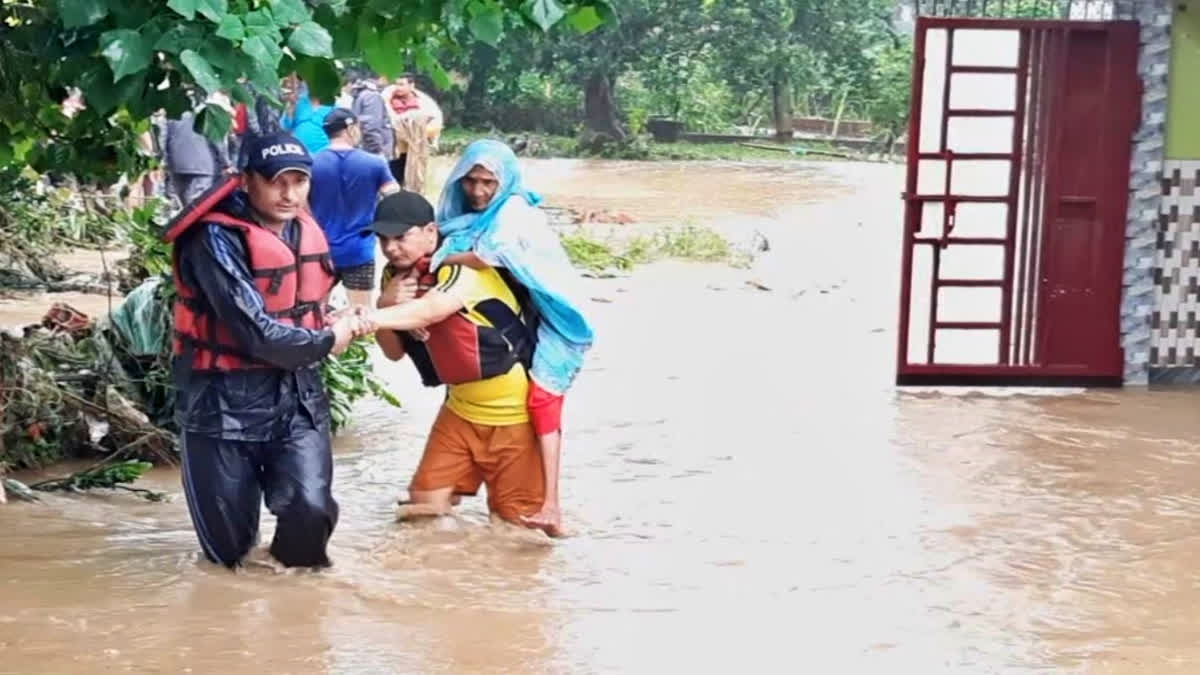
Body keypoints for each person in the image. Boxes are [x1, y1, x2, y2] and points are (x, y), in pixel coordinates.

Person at [162, 132, 370, 569]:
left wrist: (331, 320)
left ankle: (294, 616)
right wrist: (329, 341)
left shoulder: (304, 227)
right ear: (246, 180)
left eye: (299, 181)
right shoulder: (213, 239)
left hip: (297, 395)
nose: (289, 194)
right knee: (228, 556)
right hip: (221, 404)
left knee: (310, 512)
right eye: (276, 181)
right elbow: (253, 332)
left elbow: (306, 301)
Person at [430, 140, 594, 537]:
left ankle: (552, 505)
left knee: (543, 400)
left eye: (488, 182)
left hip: (556, 321)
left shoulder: (513, 213)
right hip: (512, 324)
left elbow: (489, 257)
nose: (479, 191)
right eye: (471, 181)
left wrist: (436, 258)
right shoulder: (466, 218)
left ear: (505, 182)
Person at [361, 191, 548, 530]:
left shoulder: (461, 269)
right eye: (382, 239)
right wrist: (385, 305)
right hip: (459, 414)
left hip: (514, 418)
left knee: (516, 530)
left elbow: (432, 309)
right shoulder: (395, 277)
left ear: (431, 232)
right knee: (422, 513)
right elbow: (393, 352)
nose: (390, 248)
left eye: (400, 237)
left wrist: (368, 317)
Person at [309, 109, 400, 308]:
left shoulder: (311, 164)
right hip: (360, 250)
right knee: (361, 315)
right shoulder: (375, 163)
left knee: (316, 314)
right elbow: (394, 198)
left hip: (319, 251)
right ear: (350, 128)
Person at [382, 73, 444, 191]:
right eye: (396, 84)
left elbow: (435, 121)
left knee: (414, 180)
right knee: (393, 179)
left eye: (401, 84)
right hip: (396, 150)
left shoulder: (424, 102)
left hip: (416, 149)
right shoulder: (387, 99)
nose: (398, 88)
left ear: (411, 85)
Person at [348, 70, 394, 159]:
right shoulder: (372, 96)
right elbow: (371, 127)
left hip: (363, 149)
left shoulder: (361, 93)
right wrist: (377, 152)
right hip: (373, 152)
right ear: (383, 77)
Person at [283, 79, 334, 154]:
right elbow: (286, 127)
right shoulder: (297, 100)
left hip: (323, 155)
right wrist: (290, 108)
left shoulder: (333, 106)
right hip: (298, 153)